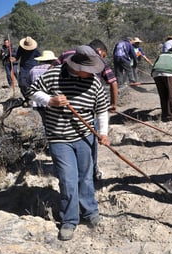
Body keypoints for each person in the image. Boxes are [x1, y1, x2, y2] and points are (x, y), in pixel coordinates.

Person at [25, 45, 110, 241]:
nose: (92, 74)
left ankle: (90, 211)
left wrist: (103, 133)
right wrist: (49, 101)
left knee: (86, 177)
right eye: (89, 71)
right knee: (67, 180)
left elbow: (102, 109)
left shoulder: (95, 83)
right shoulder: (53, 75)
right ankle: (69, 220)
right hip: (59, 138)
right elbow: (31, 91)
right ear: (77, 66)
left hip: (85, 137)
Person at [54, 39, 119, 181]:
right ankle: (92, 171)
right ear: (100, 52)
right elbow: (113, 83)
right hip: (87, 107)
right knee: (90, 141)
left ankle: (71, 172)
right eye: (103, 55)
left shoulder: (67, 54)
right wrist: (113, 104)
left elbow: (51, 73)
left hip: (61, 110)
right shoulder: (98, 61)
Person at [151, 48, 172, 122]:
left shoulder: (161, 55)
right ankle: (170, 116)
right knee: (171, 95)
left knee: (163, 95)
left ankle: (164, 115)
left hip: (156, 74)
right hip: (168, 74)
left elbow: (154, 66)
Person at [28, 50, 58, 124]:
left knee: (44, 120)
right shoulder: (55, 69)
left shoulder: (33, 70)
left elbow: (29, 84)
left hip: (38, 100)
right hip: (51, 99)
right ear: (52, 60)